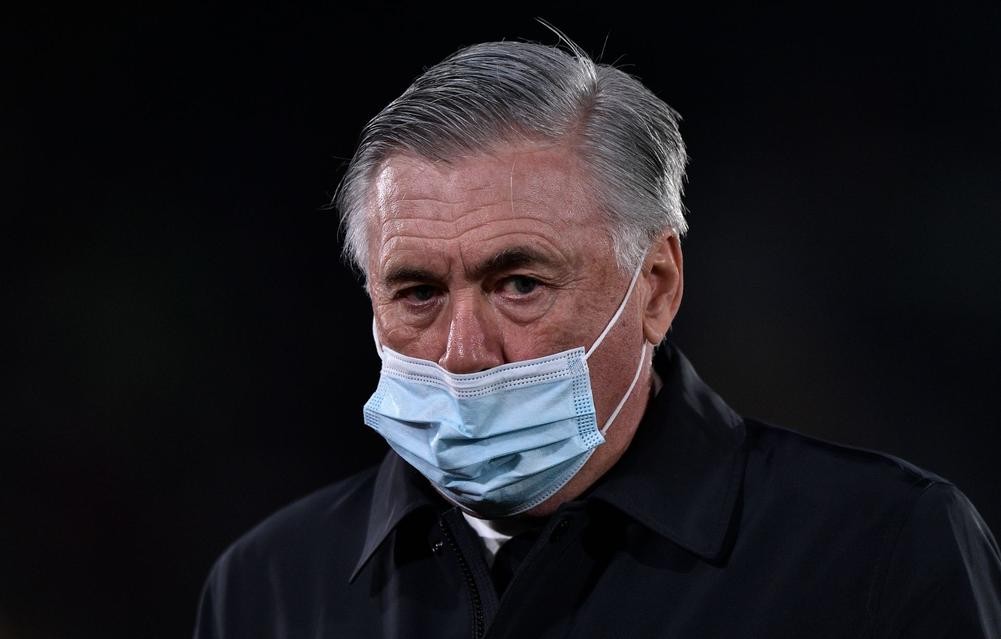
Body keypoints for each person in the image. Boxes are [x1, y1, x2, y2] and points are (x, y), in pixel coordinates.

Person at [194, 38, 1001, 638]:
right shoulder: (268, 587)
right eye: (418, 292)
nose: (462, 350)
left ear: (656, 287)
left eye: (519, 283)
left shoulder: (879, 550)